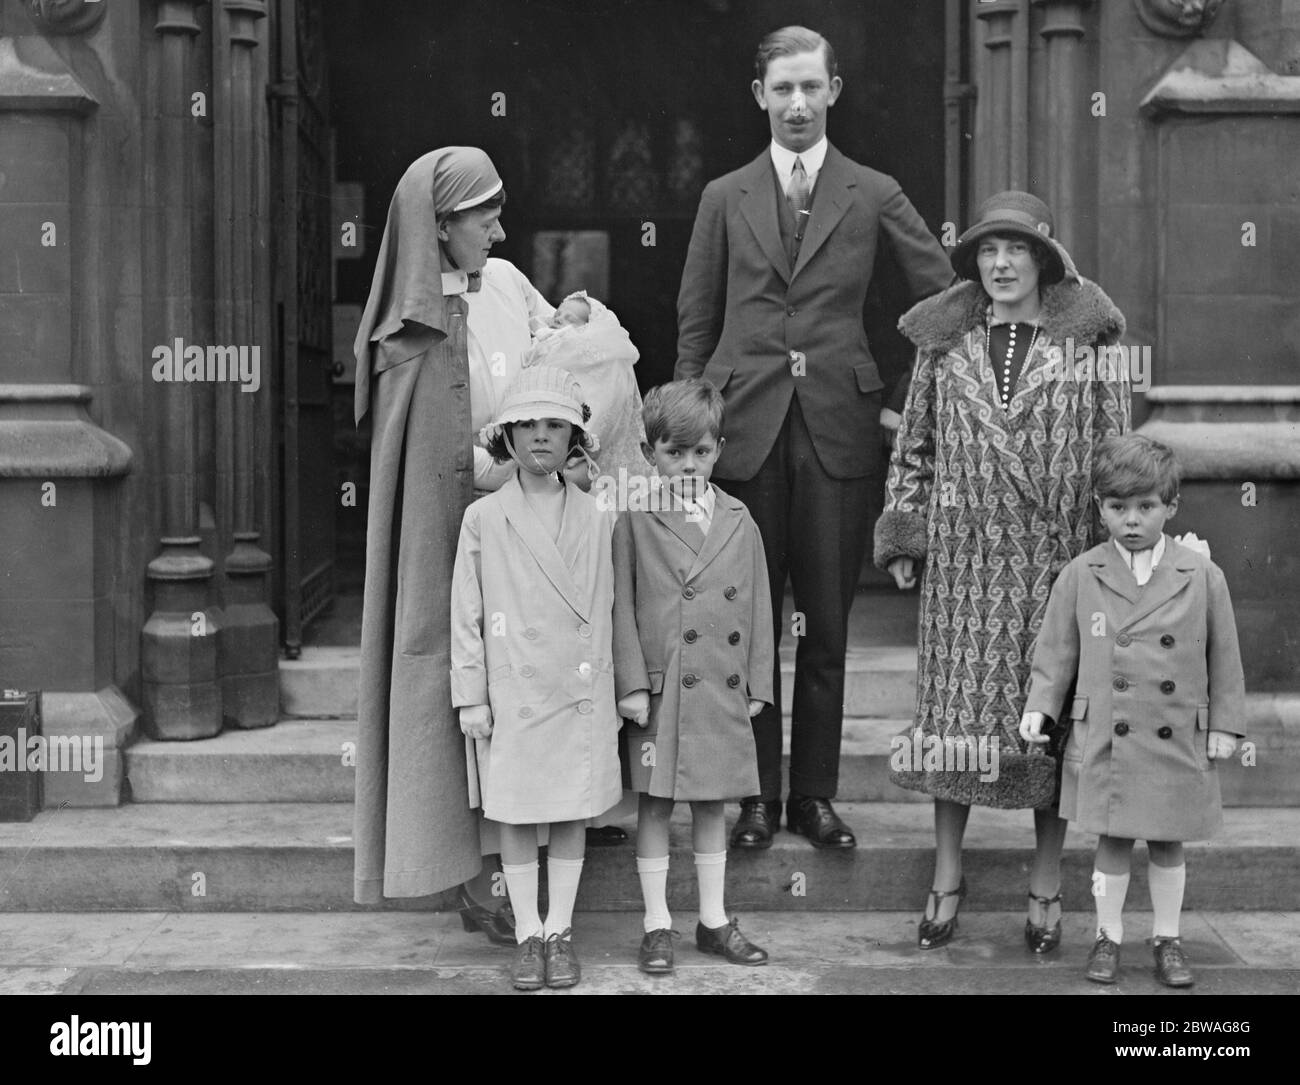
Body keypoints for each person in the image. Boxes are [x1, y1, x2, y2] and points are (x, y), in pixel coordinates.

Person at [676, 25, 952, 850]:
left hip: (838, 431)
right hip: (741, 435)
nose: (798, 104)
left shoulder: (873, 192)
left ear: (834, 91)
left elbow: (941, 304)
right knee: (745, 624)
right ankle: (754, 796)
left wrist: (902, 399)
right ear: (759, 95)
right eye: (782, 89)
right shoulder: (724, 196)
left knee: (826, 626)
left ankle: (814, 796)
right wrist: (692, 426)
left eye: (811, 87)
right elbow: (697, 317)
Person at [874, 190, 1130, 951]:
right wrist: (907, 535)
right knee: (954, 729)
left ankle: (1046, 884)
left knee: (1044, 724)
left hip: (1056, 569)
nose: (1001, 263)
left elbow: (1116, 453)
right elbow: (912, 447)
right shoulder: (944, 343)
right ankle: (945, 877)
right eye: (988, 251)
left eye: (1016, 249)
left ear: (1044, 259)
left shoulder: (1089, 344)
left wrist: (1109, 561)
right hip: (964, 567)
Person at [352, 147, 515, 922]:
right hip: (439, 557)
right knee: (439, 675)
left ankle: (495, 859)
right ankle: (466, 870)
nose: (497, 228)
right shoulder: (410, 343)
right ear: (441, 224)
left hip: (485, 552)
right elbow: (435, 473)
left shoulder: (471, 307)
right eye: (484, 214)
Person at [1020, 434, 1246, 987]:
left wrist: (1226, 726)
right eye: (1118, 508)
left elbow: (1226, 655)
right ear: (1100, 508)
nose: (1132, 520)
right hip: (1109, 734)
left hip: (1175, 737)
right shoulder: (1083, 572)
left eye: (1146, 507)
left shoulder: (1200, 574)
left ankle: (1167, 937)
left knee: (1169, 841)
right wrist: (1040, 707)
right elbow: (1056, 651)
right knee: (1112, 841)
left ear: (1170, 507)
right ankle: (1107, 935)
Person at [451, 366, 623, 991]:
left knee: (572, 812)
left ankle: (560, 930)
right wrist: (470, 694)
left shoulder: (596, 513)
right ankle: (527, 933)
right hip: (515, 690)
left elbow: (611, 604)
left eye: (556, 425)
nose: (542, 438)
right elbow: (466, 612)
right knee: (519, 815)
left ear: (574, 435)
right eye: (528, 426)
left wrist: (620, 682)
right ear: (507, 438)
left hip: (578, 688)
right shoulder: (486, 518)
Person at [612, 379, 775, 975]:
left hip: (720, 685)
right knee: (654, 806)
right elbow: (621, 608)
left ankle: (712, 920)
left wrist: (759, 683)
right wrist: (630, 682)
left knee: (712, 806)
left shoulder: (740, 518)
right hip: (662, 688)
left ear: (719, 450)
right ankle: (657, 923)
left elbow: (759, 604)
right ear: (649, 451)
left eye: (700, 452)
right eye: (673, 451)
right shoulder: (634, 520)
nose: (688, 464)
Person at [526, 290, 648, 492]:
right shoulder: (542, 342)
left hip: (578, 457)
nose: (559, 321)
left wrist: (576, 445)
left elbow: (600, 411)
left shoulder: (604, 367)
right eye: (558, 315)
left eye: (569, 319)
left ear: (590, 329)